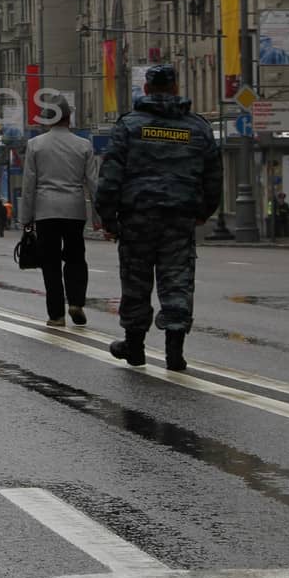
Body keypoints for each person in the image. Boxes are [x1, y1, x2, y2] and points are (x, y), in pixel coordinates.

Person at [95, 64, 223, 370]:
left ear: (148, 89)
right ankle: (175, 350)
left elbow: (110, 176)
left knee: (136, 281)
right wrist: (204, 211)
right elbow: (214, 175)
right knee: (177, 281)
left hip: (137, 217)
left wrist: (108, 219)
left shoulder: (129, 126)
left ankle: (134, 347)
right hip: (180, 217)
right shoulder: (198, 127)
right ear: (176, 88)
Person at [19, 93, 99, 327]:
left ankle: (56, 315)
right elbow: (93, 183)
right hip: (74, 210)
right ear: (69, 117)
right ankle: (76, 302)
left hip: (46, 211)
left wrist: (26, 218)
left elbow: (28, 185)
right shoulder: (83, 145)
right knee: (76, 258)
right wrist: (99, 217)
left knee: (50, 262)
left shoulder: (35, 145)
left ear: (47, 119)